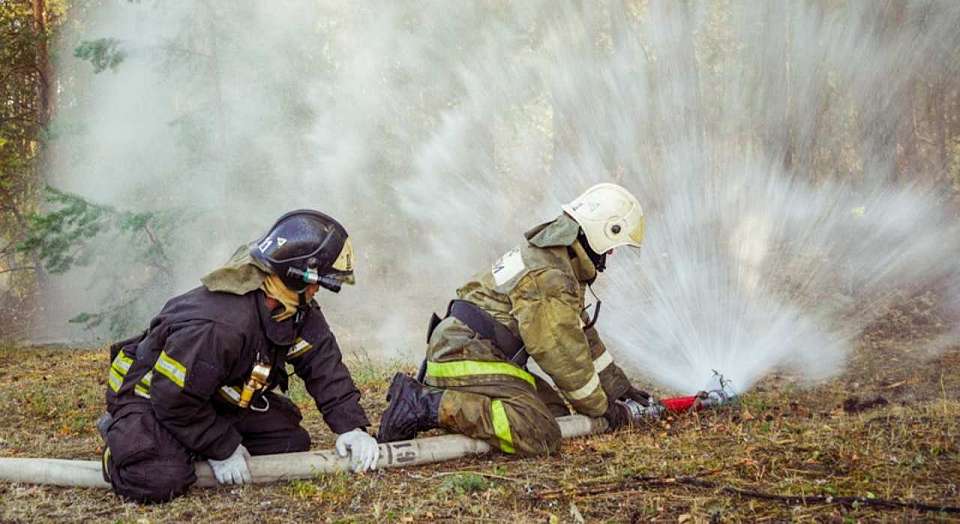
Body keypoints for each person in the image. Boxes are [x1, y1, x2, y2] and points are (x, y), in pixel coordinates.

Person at [100, 209, 379, 503]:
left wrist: (351, 427)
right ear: (295, 277)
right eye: (316, 282)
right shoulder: (220, 325)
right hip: (151, 401)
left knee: (289, 441)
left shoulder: (291, 308)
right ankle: (121, 441)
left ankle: (186, 444)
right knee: (158, 478)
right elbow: (172, 398)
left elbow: (323, 365)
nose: (316, 290)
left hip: (205, 400)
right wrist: (221, 446)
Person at [377, 183, 652, 455]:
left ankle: (457, 403)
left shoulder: (555, 261)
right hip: (464, 356)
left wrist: (618, 387)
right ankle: (425, 404)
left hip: (472, 351)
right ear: (601, 232)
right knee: (539, 432)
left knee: (554, 412)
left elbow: (580, 336)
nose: (611, 254)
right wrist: (603, 408)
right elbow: (562, 354)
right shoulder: (549, 276)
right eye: (612, 247)